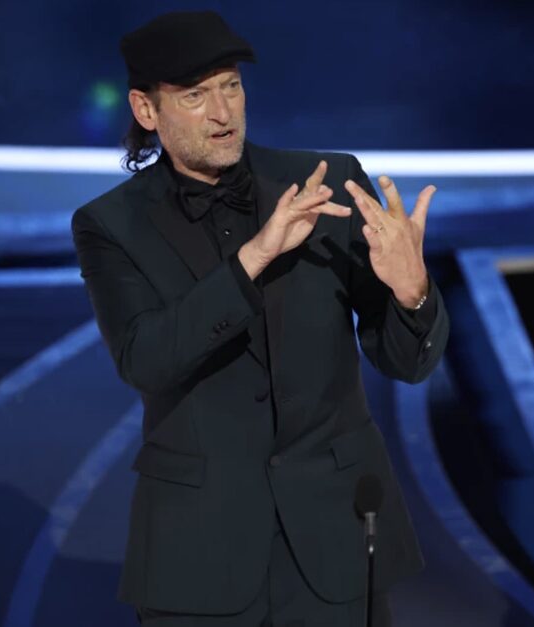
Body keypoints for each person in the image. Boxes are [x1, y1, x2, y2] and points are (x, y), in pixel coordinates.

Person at [72, 10, 448, 626]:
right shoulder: (111, 225)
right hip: (198, 555)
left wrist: (413, 295)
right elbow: (146, 359)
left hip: (336, 542)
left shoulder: (327, 183)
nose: (223, 113)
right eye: (195, 96)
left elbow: (406, 364)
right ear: (146, 110)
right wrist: (253, 259)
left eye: (231, 86)